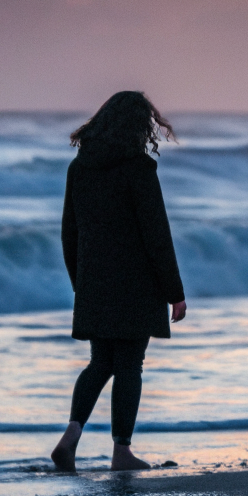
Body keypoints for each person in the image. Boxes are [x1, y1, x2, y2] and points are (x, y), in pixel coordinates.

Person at [50, 91, 187, 472]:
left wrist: (80, 282)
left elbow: (68, 232)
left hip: (94, 280)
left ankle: (71, 435)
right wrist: (174, 292)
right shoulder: (139, 168)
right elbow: (156, 233)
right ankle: (121, 451)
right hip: (137, 283)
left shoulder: (78, 168)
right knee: (129, 364)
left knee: (100, 362)